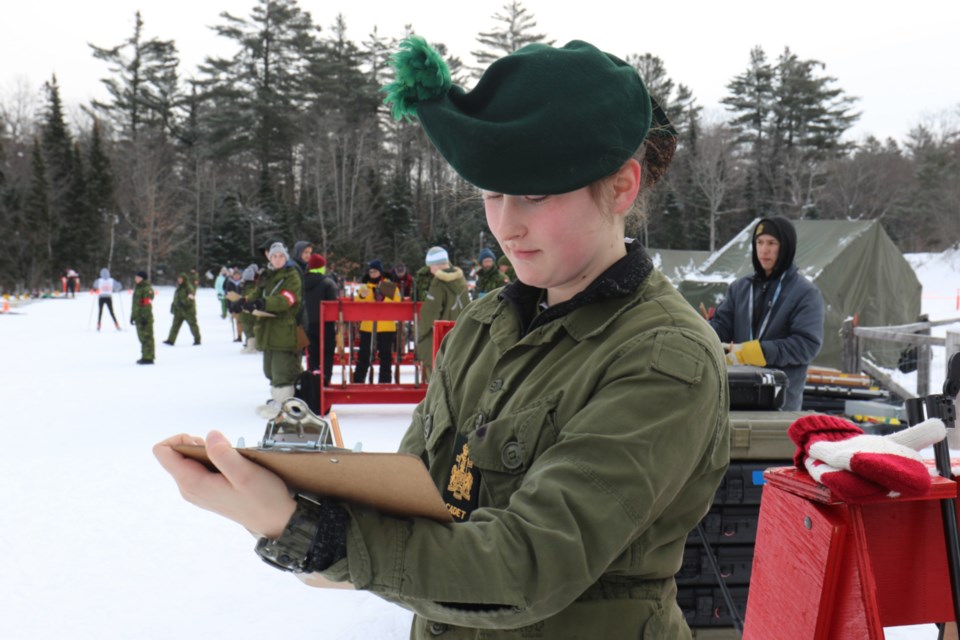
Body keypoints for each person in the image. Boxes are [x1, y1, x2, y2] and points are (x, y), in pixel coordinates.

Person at [154, 37, 730, 639]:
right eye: (492, 193)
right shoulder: (483, 328)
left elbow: (527, 566)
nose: (507, 224)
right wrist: (295, 498)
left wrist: (304, 529)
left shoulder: (665, 356)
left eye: (535, 193)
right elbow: (416, 498)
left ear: (621, 188)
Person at [708, 217, 825, 411]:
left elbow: (806, 345)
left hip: (780, 402)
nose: (764, 250)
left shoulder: (805, 293)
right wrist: (699, 330)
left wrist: (756, 353)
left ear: (785, 247)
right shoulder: (740, 288)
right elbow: (720, 328)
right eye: (759, 242)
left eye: (772, 243)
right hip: (736, 396)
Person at [244, 242, 303, 418]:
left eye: (281, 256)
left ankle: (285, 403)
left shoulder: (292, 276)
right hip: (268, 329)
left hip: (284, 329)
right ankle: (277, 399)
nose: (277, 259)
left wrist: (265, 303)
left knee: (282, 370)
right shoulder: (267, 275)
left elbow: (286, 300)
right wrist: (245, 301)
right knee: (269, 370)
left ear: (286, 258)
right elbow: (257, 292)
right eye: (274, 256)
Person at [416, 246, 469, 381]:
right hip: (459, 335)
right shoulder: (461, 281)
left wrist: (420, 335)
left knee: (435, 380)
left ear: (436, 264)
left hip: (438, 338)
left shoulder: (438, 282)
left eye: (430, 266)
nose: (430, 270)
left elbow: (430, 313)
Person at [352, 259, 400, 384]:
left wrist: (383, 297)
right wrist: (363, 296)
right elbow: (357, 303)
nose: (373, 274)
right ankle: (358, 381)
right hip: (367, 326)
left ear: (380, 272)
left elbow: (397, 303)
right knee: (364, 355)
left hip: (386, 326)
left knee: (385, 355)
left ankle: (385, 381)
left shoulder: (388, 285)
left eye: (375, 271)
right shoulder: (365, 286)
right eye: (371, 271)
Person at [303, 252, 339, 385]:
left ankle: (312, 380)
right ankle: (325, 380)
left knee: (312, 354)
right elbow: (333, 304)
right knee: (327, 353)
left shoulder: (302, 282)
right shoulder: (327, 283)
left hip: (308, 324)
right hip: (325, 324)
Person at [163, 273, 201, 346]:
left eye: (181, 279)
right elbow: (176, 298)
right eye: (178, 279)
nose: (179, 280)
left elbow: (191, 298)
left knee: (193, 325)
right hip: (179, 311)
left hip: (188, 311)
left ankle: (197, 339)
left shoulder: (189, 287)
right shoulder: (179, 288)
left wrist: (184, 302)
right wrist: (173, 306)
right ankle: (171, 340)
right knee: (175, 326)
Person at [130, 271, 155, 364]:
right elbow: (136, 305)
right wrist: (133, 316)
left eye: (137, 277)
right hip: (139, 317)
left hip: (145, 317)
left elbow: (146, 305)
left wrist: (145, 317)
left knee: (147, 337)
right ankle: (145, 355)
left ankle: (148, 357)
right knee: (142, 337)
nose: (135, 278)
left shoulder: (146, 289)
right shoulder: (138, 288)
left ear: (142, 278)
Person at [239, 264, 260, 354]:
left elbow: (248, 298)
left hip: (247, 312)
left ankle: (252, 346)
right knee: (249, 328)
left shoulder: (248, 288)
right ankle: (250, 345)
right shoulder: (251, 287)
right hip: (248, 312)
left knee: (249, 328)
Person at [224, 268, 245, 343]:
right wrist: (229, 307)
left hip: (243, 304)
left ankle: (246, 337)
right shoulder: (230, 283)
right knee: (238, 321)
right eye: (235, 275)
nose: (236, 276)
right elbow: (228, 295)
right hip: (234, 305)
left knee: (244, 322)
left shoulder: (243, 283)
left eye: (238, 275)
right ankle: (239, 336)